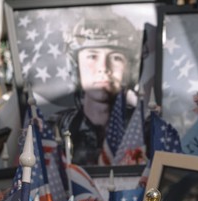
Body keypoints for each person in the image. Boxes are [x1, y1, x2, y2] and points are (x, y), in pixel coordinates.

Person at [53, 11, 140, 165]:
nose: (103, 68)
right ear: (75, 67)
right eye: (92, 56)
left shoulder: (145, 128)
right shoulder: (55, 128)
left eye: (116, 57)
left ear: (130, 69)